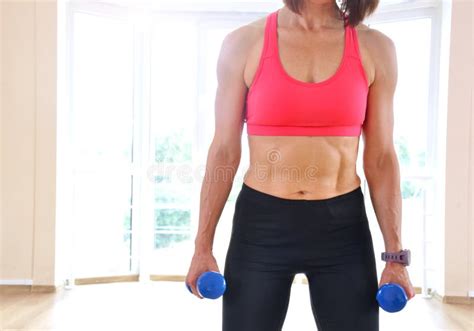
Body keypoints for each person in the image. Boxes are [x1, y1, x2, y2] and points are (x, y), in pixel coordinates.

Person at [186, 0, 416, 330]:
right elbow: (223, 151)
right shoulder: (243, 43)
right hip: (261, 225)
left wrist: (395, 255)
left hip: (343, 228)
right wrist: (202, 246)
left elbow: (380, 158)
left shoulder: (375, 47)